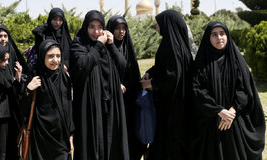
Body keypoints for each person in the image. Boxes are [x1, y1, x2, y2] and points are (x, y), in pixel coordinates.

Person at [191, 21, 265, 160]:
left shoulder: (236, 60)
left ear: (227, 35)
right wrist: (218, 110)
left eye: (222, 33)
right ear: (208, 38)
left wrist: (231, 112)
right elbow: (197, 90)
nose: (219, 37)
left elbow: (244, 89)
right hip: (211, 123)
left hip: (235, 120)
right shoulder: (201, 63)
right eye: (214, 35)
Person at [70, 10, 129, 160]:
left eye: (99, 27)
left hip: (109, 102)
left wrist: (111, 44)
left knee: (111, 141)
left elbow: (122, 64)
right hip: (89, 103)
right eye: (91, 27)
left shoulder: (107, 46)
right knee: (92, 142)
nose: (96, 31)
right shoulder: (79, 44)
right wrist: (98, 45)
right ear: (85, 27)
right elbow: (83, 65)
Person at [140, 9, 193, 160]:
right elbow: (164, 67)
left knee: (170, 144)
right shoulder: (176, 44)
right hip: (177, 103)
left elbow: (172, 76)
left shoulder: (171, 47)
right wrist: (151, 71)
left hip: (172, 107)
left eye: (159, 24)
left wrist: (150, 83)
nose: (157, 27)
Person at [24, 39, 74, 159]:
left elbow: (69, 109)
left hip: (61, 138)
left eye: (58, 56)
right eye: (50, 56)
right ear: (42, 57)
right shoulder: (35, 78)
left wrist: (70, 136)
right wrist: (28, 89)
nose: (55, 60)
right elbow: (23, 109)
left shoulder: (65, 78)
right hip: (41, 137)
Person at [106, 15, 147, 160]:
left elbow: (133, 72)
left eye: (124, 28)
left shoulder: (128, 48)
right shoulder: (105, 49)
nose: (121, 32)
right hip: (111, 100)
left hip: (129, 100)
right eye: (117, 28)